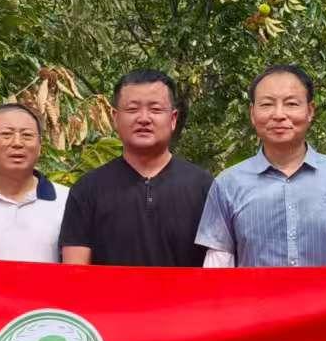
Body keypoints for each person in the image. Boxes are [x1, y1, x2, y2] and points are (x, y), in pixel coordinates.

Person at [196, 64, 326, 268]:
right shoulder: (227, 184)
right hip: (252, 292)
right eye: (267, 104)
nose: (279, 114)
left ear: (310, 111)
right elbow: (218, 272)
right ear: (252, 113)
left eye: (291, 104)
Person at [59, 69, 214, 267]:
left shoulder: (204, 187)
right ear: (115, 118)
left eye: (155, 109)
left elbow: (218, 267)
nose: (144, 118)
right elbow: (74, 274)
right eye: (132, 110)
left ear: (173, 119)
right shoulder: (87, 190)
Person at [0, 103, 69, 262]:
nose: (17, 143)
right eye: (6, 134)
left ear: (40, 146)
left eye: (27, 135)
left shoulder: (68, 200)